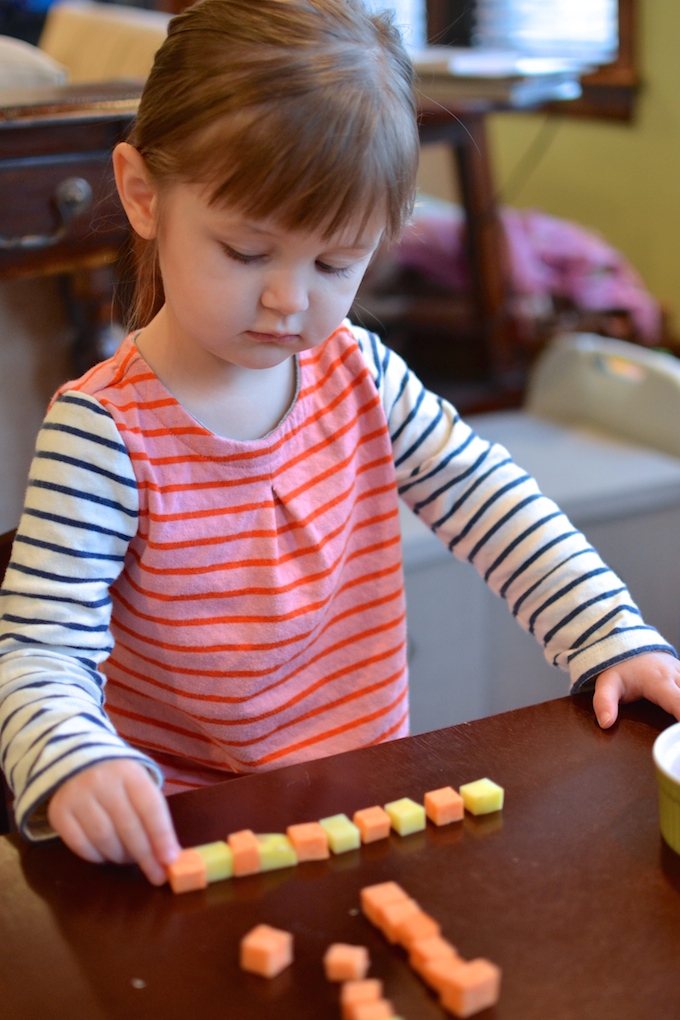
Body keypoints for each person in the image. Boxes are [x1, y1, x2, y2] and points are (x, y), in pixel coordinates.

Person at [1, 0, 680, 888]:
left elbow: (492, 501)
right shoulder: (104, 435)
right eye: (246, 252)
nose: (291, 302)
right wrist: (76, 762)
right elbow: (42, 649)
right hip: (189, 838)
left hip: (366, 803)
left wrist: (609, 636)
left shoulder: (357, 370)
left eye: (335, 264)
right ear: (141, 194)